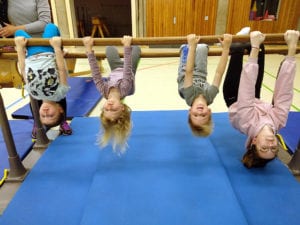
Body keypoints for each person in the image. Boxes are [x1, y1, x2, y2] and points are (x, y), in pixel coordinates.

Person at [223, 30, 299, 168]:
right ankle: (254, 45)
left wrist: (254, 47)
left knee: (239, 48)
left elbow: (246, 89)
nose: (270, 145)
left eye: (264, 148)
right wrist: (292, 47)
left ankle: (239, 44)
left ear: (254, 141)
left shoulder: (247, 122)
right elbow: (284, 92)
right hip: (255, 100)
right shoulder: (279, 121)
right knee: (260, 47)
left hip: (234, 97)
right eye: (274, 149)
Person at [82, 35, 141, 153]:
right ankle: (130, 46)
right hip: (128, 69)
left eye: (106, 110)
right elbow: (127, 68)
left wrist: (88, 49)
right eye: (113, 110)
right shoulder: (124, 89)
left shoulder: (104, 91)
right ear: (122, 107)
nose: (109, 107)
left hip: (115, 68)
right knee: (136, 48)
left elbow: (95, 74)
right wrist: (126, 46)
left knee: (109, 48)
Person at [14, 23, 72, 136]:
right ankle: (61, 49)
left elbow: (23, 70)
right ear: (60, 109)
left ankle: (60, 49)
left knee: (18, 33)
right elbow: (61, 70)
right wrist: (57, 49)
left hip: (31, 53)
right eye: (50, 115)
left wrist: (20, 49)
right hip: (48, 51)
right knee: (51, 27)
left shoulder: (34, 94)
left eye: (43, 116)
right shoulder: (60, 93)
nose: (45, 112)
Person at [177, 33, 232, 136]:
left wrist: (192, 46)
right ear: (209, 111)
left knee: (187, 47)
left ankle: (185, 48)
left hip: (185, 73)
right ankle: (194, 47)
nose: (200, 112)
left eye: (195, 115)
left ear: (190, 111)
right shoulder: (210, 95)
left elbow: (189, 72)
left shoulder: (189, 97)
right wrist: (226, 49)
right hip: (201, 73)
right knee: (202, 47)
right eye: (203, 116)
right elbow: (219, 74)